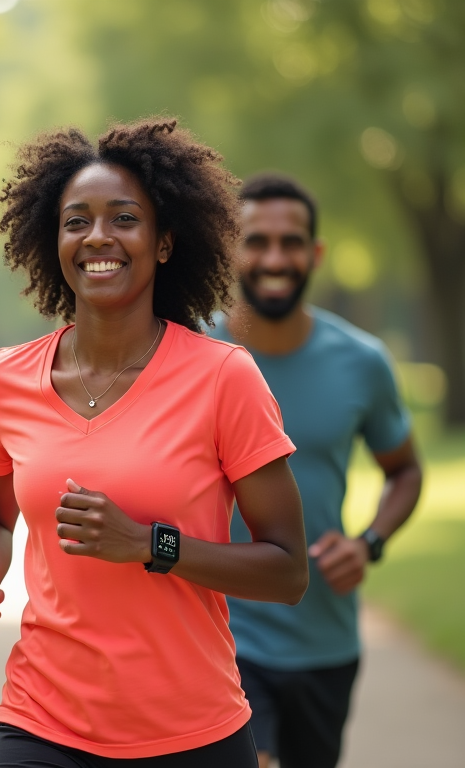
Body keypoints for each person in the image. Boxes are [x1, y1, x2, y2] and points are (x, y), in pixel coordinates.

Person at [0, 119, 311, 768]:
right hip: (40, 723)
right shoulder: (7, 378)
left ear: (165, 242)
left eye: (124, 218)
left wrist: (150, 544)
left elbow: (287, 570)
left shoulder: (224, 377)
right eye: (76, 221)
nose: (98, 238)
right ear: (53, 240)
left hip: (192, 734)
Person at [207, 172, 423, 768]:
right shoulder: (189, 357)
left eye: (291, 241)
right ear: (231, 248)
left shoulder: (362, 362)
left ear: (315, 253)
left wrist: (370, 542)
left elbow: (404, 469)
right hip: (224, 636)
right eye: (257, 240)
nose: (275, 257)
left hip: (325, 642)